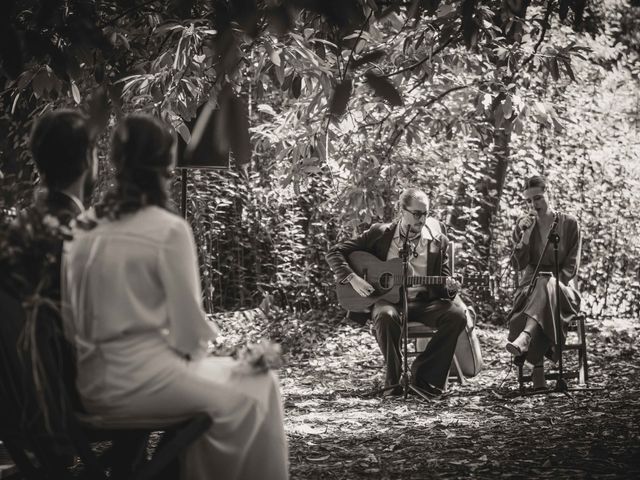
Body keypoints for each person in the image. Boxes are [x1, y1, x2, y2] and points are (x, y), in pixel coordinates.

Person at [61, 114, 288, 480]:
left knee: (237, 378)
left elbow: (70, 320)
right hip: (143, 385)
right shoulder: (168, 229)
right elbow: (188, 337)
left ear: (112, 161)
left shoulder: (83, 226)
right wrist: (221, 359)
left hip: (90, 386)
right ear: (167, 164)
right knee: (259, 384)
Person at [326, 188, 467, 396]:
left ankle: (424, 377)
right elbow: (335, 252)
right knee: (384, 315)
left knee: (456, 315)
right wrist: (352, 278)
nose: (421, 219)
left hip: (423, 302)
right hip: (389, 301)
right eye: (416, 213)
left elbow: (443, 283)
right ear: (402, 211)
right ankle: (393, 383)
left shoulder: (437, 242)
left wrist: (450, 287)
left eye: (425, 213)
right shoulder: (379, 234)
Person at [505, 175, 581, 389]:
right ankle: (534, 356)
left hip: (562, 289)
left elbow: (571, 266)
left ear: (550, 194)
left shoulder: (570, 223)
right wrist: (525, 237)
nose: (533, 205)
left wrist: (552, 282)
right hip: (529, 288)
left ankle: (527, 343)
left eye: (537, 198)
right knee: (539, 285)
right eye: (528, 201)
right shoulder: (522, 226)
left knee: (545, 283)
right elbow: (517, 265)